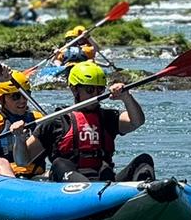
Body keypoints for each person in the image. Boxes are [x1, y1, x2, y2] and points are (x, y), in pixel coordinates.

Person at [13, 62, 154, 183]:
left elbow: (137, 121)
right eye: (90, 89)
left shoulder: (108, 117)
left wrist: (126, 97)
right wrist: (19, 138)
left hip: (103, 182)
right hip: (67, 184)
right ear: (74, 89)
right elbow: (22, 161)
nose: (96, 94)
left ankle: (147, 195)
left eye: (100, 89)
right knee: (59, 164)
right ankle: (89, 194)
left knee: (144, 161)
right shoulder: (56, 121)